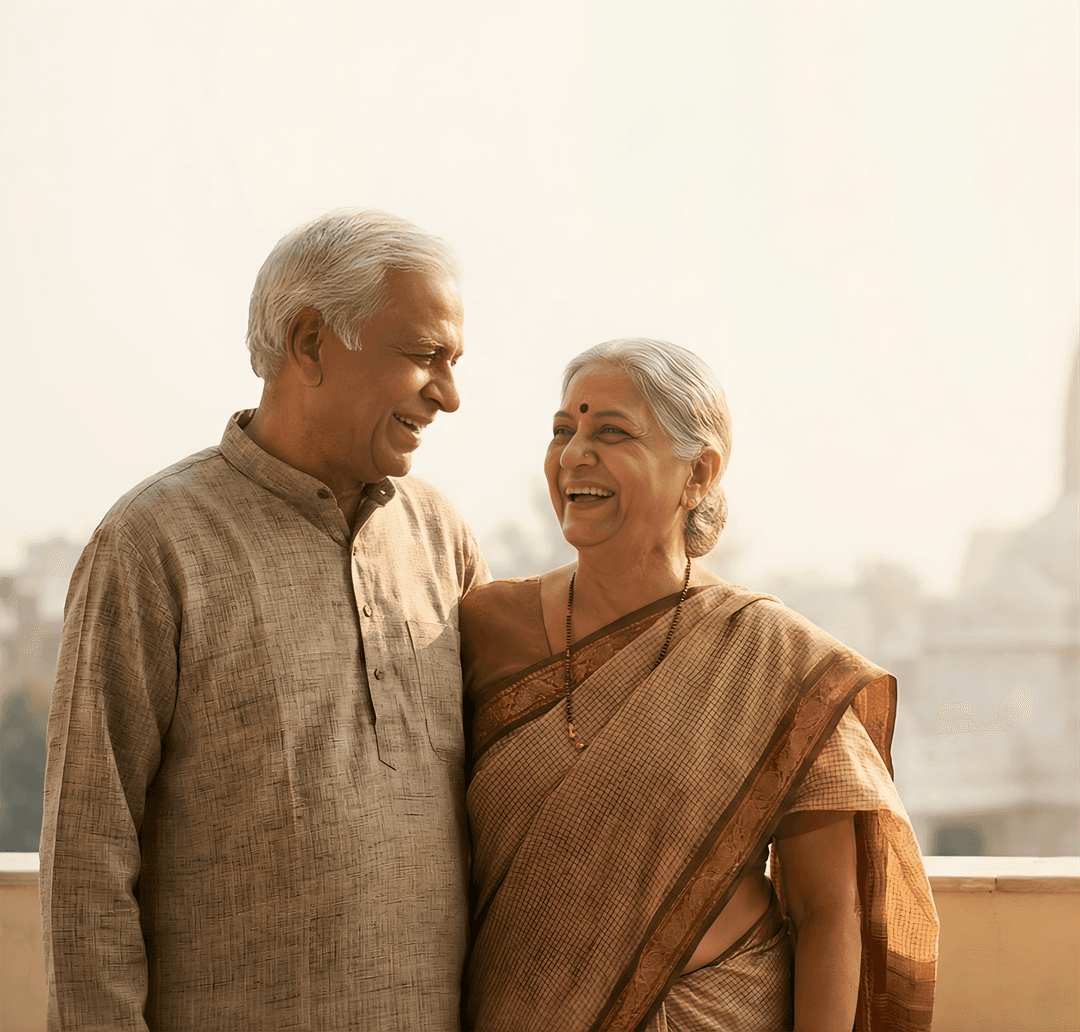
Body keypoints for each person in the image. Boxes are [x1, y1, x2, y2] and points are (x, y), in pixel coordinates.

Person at [39, 208, 489, 1031]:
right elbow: (86, 857)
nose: (450, 396)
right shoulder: (153, 543)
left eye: (453, 363)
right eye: (426, 356)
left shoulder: (440, 536)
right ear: (311, 342)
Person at [460, 338, 938, 1031]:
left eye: (611, 432)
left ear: (699, 473)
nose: (573, 454)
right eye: (563, 430)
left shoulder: (775, 660)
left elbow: (828, 911)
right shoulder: (487, 626)